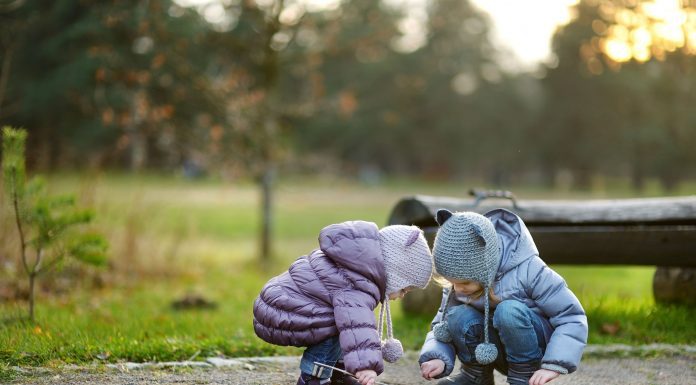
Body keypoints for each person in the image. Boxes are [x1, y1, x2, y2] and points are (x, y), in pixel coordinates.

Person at [419, 209, 588, 385]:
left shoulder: (529, 270)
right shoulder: (458, 284)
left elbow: (571, 316)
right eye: (452, 282)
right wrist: (437, 356)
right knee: (457, 315)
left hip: (533, 350)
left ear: (486, 266)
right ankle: (475, 376)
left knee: (508, 311)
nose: (458, 288)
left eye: (465, 282)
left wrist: (554, 363)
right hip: (494, 350)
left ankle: (522, 378)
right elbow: (441, 325)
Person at [253, 220, 433, 385]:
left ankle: (340, 372)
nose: (402, 296)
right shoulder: (356, 283)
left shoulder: (356, 264)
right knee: (341, 322)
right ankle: (314, 377)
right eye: (404, 289)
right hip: (282, 311)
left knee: (340, 319)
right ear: (393, 274)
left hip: (281, 302)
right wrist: (365, 365)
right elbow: (357, 326)